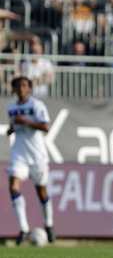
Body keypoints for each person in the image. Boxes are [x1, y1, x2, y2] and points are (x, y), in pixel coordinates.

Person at [6, 77, 55, 245]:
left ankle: (48, 224)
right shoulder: (11, 108)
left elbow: (46, 127)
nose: (21, 89)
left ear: (29, 89)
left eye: (24, 86)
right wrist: (12, 129)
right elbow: (14, 126)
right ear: (13, 89)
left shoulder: (36, 106)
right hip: (19, 154)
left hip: (37, 156)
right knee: (14, 186)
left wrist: (25, 122)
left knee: (42, 192)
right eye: (17, 86)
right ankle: (24, 229)